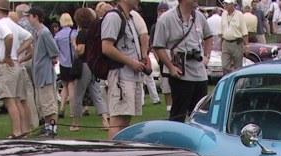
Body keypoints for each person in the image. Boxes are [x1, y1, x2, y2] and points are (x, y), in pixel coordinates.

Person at [153, 0, 212, 121]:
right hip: (180, 73)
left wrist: (206, 56)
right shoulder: (166, 18)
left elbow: (208, 36)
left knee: (201, 115)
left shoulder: (199, 16)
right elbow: (158, 46)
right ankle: (174, 138)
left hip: (199, 73)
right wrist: (170, 67)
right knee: (178, 113)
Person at [102, 0, 147, 139]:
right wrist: (131, 62)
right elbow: (106, 47)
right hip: (120, 76)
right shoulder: (113, 17)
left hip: (130, 76)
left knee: (125, 120)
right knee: (118, 121)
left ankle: (120, 154)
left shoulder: (129, 18)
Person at [0, 0, 33, 137]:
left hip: (6, 66)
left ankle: (17, 132)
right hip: (15, 64)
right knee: (16, 100)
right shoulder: (12, 24)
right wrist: (17, 51)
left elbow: (8, 37)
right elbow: (30, 37)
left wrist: (8, 55)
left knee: (10, 102)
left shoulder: (1, 24)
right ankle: (23, 130)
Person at [70, 6, 108, 131]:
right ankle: (105, 121)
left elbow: (80, 51)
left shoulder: (82, 33)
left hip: (84, 65)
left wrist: (74, 43)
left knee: (78, 95)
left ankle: (75, 124)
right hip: (94, 65)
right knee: (97, 94)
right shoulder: (95, 31)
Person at [27, 6, 59, 136]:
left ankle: (53, 128)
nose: (28, 19)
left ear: (35, 17)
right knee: (42, 104)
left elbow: (54, 51)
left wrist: (50, 60)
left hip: (45, 75)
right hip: (39, 75)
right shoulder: (38, 32)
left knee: (49, 103)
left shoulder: (45, 32)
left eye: (29, 16)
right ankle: (47, 126)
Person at [55, 12, 76, 117]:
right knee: (72, 87)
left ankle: (62, 108)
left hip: (62, 63)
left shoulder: (58, 35)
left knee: (64, 87)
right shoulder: (74, 33)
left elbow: (55, 50)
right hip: (72, 63)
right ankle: (72, 111)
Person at [220, 0, 248, 73]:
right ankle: (227, 81)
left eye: (227, 4)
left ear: (233, 4)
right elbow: (221, 31)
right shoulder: (223, 14)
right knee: (224, 66)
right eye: (224, 3)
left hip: (237, 44)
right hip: (226, 43)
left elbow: (244, 32)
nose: (225, 5)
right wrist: (220, 44)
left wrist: (247, 46)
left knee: (238, 67)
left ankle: (238, 83)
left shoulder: (240, 15)